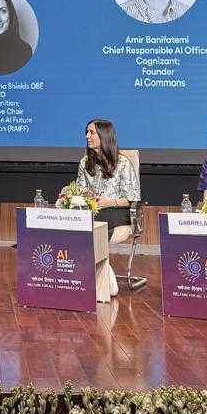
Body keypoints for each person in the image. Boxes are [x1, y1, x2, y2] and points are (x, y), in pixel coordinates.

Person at [76, 118, 140, 297]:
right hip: (94, 210)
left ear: (104, 136)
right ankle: (104, 272)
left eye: (92, 132)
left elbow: (132, 198)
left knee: (95, 222)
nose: (87, 136)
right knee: (81, 219)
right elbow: (80, 191)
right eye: (86, 132)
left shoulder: (123, 163)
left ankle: (99, 274)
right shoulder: (84, 163)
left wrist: (107, 202)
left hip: (117, 210)